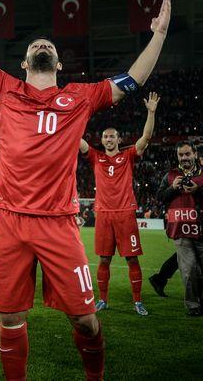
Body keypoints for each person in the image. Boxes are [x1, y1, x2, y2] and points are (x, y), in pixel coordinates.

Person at [0, 0, 170, 380]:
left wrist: (158, 35)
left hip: (59, 223)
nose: (42, 45)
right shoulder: (4, 88)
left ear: (57, 61)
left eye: (48, 44)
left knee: (86, 320)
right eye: (36, 44)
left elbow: (135, 79)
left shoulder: (80, 97)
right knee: (11, 317)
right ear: (24, 63)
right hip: (10, 219)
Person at [78, 92, 159, 316]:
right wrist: (72, 116)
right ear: (102, 140)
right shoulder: (96, 157)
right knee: (104, 258)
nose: (109, 139)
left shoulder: (128, 156)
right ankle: (103, 300)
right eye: (106, 137)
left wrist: (151, 113)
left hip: (125, 213)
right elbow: (78, 140)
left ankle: (137, 301)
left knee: (132, 257)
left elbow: (146, 137)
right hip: (103, 213)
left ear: (119, 140)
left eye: (113, 137)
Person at [149, 145, 203, 303]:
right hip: (191, 226)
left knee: (190, 258)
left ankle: (160, 279)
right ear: (200, 158)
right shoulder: (183, 175)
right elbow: (161, 196)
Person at [156, 141, 203, 316]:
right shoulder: (170, 176)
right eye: (181, 155)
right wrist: (172, 188)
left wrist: (199, 190)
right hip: (181, 231)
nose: (184, 158)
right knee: (189, 270)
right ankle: (193, 306)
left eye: (187, 154)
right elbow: (160, 197)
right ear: (177, 156)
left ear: (194, 156)